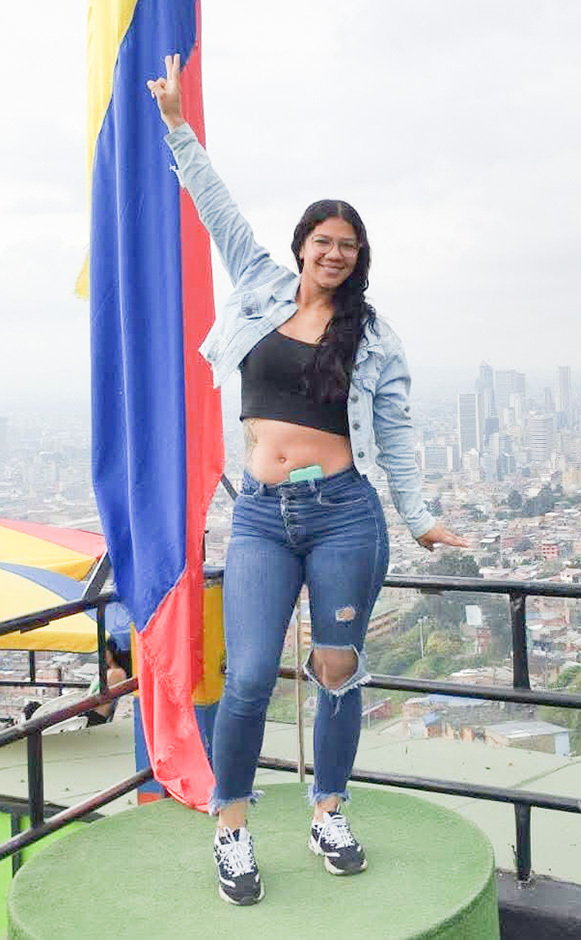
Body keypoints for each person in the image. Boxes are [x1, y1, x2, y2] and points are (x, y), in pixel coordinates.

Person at [147, 54, 468, 906]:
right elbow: (216, 208)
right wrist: (177, 126)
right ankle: (232, 825)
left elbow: (396, 436)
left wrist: (419, 517)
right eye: (322, 240)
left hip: (342, 516)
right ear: (301, 246)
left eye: (347, 245)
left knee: (337, 667)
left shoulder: (377, 336)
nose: (333, 252)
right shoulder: (259, 287)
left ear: (360, 259)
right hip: (260, 516)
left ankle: (329, 810)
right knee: (250, 674)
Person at [85, 636, 132, 726]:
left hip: (95, 717)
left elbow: (101, 698)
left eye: (104, 650)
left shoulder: (117, 673)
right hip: (91, 713)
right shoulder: (109, 671)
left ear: (112, 652)